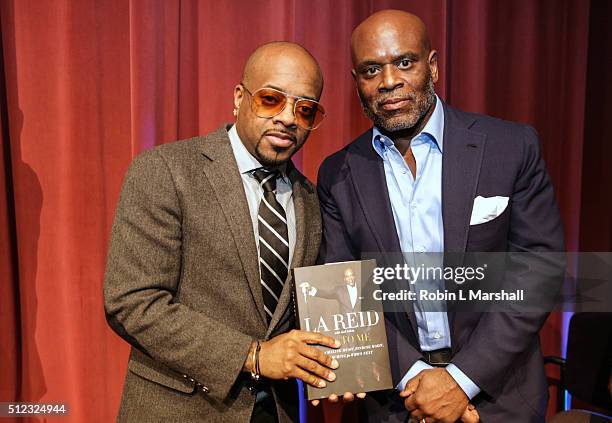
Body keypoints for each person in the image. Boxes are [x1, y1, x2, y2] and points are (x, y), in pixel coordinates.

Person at [317, 9, 564, 422]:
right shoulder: (337, 173)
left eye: (405, 62)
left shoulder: (510, 147)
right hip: (395, 403)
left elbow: (537, 269)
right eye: (371, 69)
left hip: (498, 397)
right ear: (356, 81)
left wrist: (461, 379)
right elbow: (344, 294)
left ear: (432, 66)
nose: (389, 80)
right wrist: (417, 381)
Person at [104, 41, 341, 423]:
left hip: (274, 413)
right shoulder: (166, 169)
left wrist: (346, 362)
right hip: (178, 411)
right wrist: (253, 355)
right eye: (270, 99)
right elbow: (132, 302)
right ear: (239, 98)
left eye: (305, 108)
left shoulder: (310, 199)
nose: (287, 118)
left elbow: (307, 314)